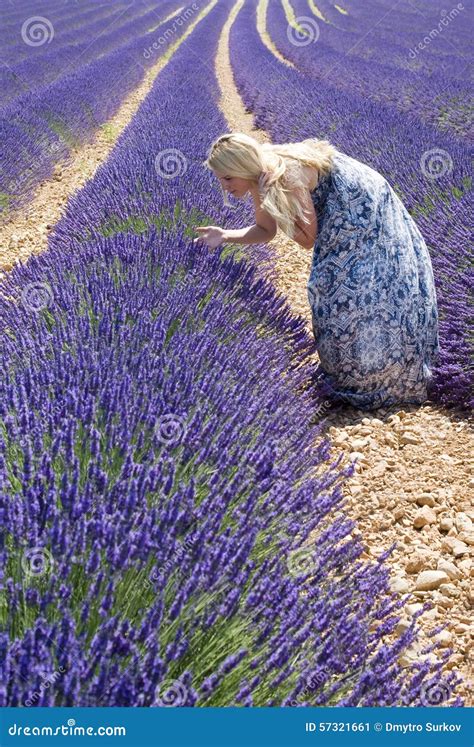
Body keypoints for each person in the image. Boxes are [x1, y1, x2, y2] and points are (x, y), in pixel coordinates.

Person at [195, 132, 439, 410]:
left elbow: (307, 238)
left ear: (243, 167)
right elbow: (265, 230)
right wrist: (225, 235)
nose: (224, 186)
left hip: (359, 202)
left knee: (357, 284)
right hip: (339, 206)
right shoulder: (260, 178)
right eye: (219, 178)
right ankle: (352, 372)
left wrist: (275, 201)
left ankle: (386, 377)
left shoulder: (281, 177)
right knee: (337, 289)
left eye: (228, 177)